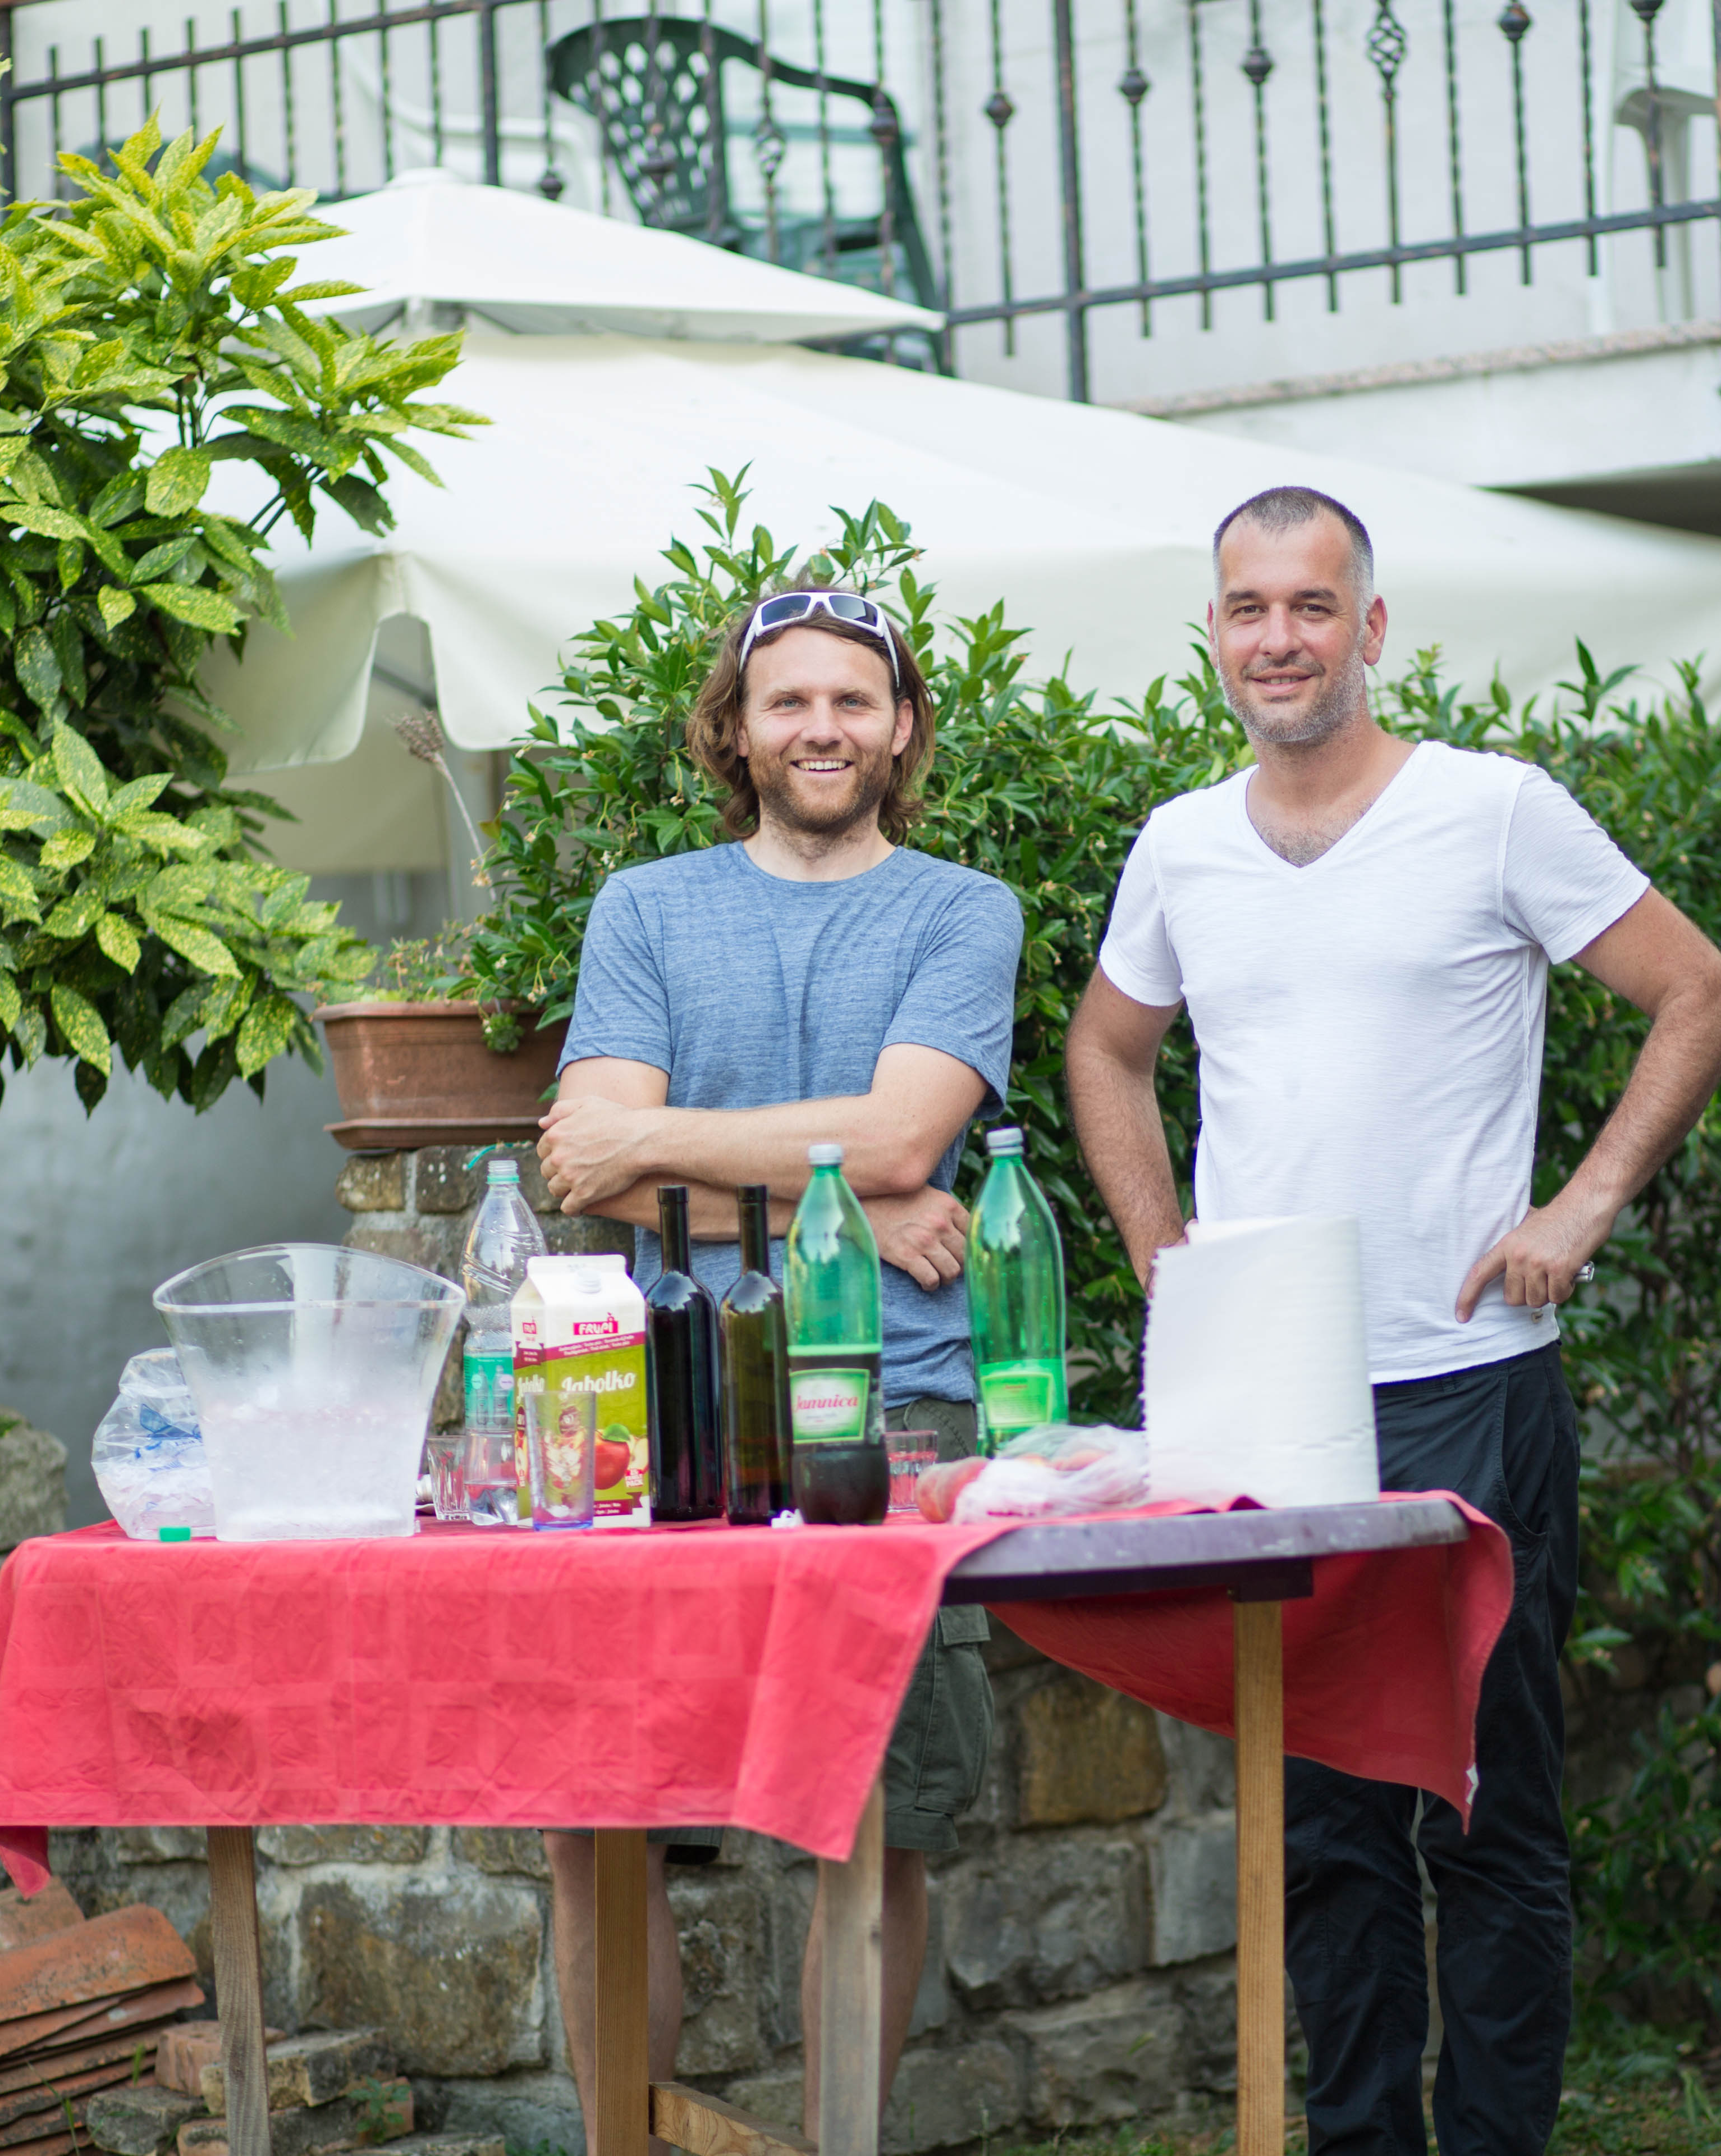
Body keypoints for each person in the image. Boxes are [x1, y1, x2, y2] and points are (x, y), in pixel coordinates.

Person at [1064, 486, 1721, 2156]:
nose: (1279, 639)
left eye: (1313, 606)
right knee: (1323, 1829)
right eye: (1248, 609)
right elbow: (1107, 1050)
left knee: (1486, 1816)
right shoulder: (1183, 843)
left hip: (1465, 1386)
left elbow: (1701, 993)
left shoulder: (1492, 810)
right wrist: (1165, 1253)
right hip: (1274, 1403)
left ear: (1370, 628)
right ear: (1214, 635)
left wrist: (1580, 1208)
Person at [532, 583, 1023, 2153]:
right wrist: (850, 1206)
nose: (822, 728)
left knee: (872, 1822)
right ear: (734, 732)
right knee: (601, 1820)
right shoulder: (645, 909)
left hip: (894, 1408)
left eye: (853, 701)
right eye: (788, 701)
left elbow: (901, 1137)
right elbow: (585, 1171)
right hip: (664, 1401)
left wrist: (674, 1145)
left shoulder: (963, 911)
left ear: (902, 729)